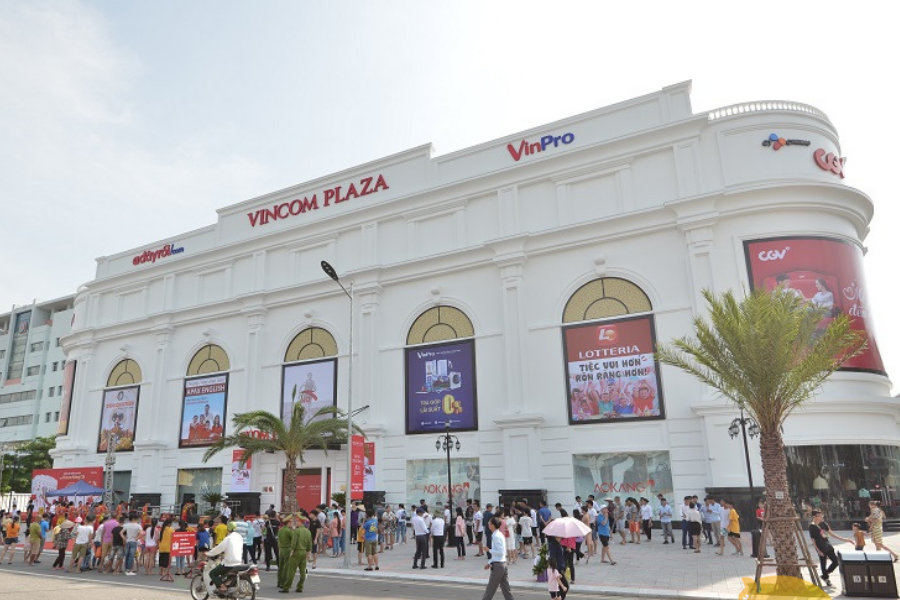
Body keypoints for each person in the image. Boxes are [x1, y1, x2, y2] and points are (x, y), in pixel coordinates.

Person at [480, 516, 515, 600]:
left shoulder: (496, 536)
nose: (488, 524)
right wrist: (489, 562)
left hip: (498, 566)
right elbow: (499, 553)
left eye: (489, 523)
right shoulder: (498, 534)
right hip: (502, 564)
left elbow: (500, 552)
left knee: (491, 588)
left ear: (493, 525)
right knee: (506, 589)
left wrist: (489, 550)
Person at [207, 521, 243, 593]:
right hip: (239, 562)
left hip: (229, 563)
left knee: (212, 573)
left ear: (228, 529)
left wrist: (209, 553)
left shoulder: (228, 538)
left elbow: (219, 548)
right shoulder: (240, 537)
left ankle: (222, 587)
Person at [809, 510, 840, 587]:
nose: (821, 517)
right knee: (823, 563)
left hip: (828, 546)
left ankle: (825, 574)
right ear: (814, 517)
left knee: (836, 562)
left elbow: (827, 535)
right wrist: (818, 550)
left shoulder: (823, 524)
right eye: (819, 516)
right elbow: (813, 540)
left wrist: (844, 539)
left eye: (821, 515)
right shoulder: (812, 526)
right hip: (820, 547)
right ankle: (826, 578)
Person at [287, 516, 312, 593]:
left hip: (296, 552)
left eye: (296, 521)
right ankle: (300, 587)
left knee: (291, 570)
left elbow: (293, 543)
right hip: (304, 552)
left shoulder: (297, 531)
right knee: (303, 571)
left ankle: (286, 587)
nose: (295, 523)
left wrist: (291, 552)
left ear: (300, 522)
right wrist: (308, 554)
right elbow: (309, 544)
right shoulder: (308, 532)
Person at [277, 515, 296, 592]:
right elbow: (294, 539)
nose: (292, 524)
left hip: (281, 549)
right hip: (287, 549)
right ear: (288, 523)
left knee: (281, 566)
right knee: (286, 567)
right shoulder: (289, 531)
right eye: (291, 522)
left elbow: (278, 541)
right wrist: (293, 530)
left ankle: (279, 582)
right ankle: (284, 583)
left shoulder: (280, 530)